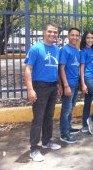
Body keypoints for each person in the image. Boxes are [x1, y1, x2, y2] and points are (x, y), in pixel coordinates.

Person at [24, 23, 62, 162]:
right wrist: (30, 89)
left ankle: (47, 141)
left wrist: (58, 84)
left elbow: (55, 69)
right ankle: (34, 148)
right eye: (50, 32)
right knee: (38, 118)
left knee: (49, 116)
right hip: (40, 87)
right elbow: (28, 69)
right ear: (44, 32)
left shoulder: (57, 49)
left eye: (55, 32)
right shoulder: (36, 48)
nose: (53, 34)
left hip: (52, 86)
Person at [59, 28, 81, 143]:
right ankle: (64, 134)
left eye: (77, 35)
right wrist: (65, 85)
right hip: (68, 85)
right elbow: (61, 68)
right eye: (72, 35)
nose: (74, 37)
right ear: (68, 36)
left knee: (71, 108)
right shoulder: (65, 50)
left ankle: (68, 127)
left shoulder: (76, 50)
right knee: (66, 110)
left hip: (75, 84)